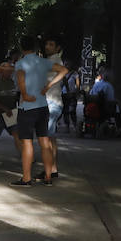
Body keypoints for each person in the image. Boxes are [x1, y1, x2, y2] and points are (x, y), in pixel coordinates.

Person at [12, 36, 67, 187]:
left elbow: (21, 78)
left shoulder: (20, 63)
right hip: (43, 106)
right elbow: (64, 70)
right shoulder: (44, 62)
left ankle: (26, 178)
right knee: (45, 142)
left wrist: (24, 94)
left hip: (27, 107)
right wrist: (48, 85)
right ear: (36, 48)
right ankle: (48, 177)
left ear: (22, 48)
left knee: (27, 143)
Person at [39, 38, 69, 180]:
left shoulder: (53, 60)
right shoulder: (53, 59)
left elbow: (64, 72)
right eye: (46, 43)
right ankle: (53, 169)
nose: (47, 46)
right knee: (51, 138)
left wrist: (48, 86)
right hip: (54, 102)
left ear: (58, 48)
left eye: (51, 44)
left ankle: (48, 171)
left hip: (51, 102)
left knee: (46, 139)